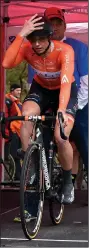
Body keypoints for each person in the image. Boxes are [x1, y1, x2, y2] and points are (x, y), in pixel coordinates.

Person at [2, 14, 78, 206]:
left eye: (41, 39)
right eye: (33, 40)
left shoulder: (64, 50)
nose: (36, 44)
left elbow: (66, 81)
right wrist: (21, 34)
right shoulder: (27, 48)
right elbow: (6, 63)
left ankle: (68, 182)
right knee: (26, 116)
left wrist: (61, 109)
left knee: (61, 136)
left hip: (64, 90)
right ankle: (32, 166)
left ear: (50, 38)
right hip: (41, 89)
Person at [44, 7, 88, 186]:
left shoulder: (78, 47)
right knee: (46, 141)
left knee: (84, 143)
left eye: (58, 23)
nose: (54, 28)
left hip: (78, 103)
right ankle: (42, 185)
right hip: (52, 103)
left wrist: (76, 107)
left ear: (65, 25)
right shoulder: (39, 47)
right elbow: (34, 83)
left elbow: (86, 81)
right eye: (50, 24)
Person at [5, 84, 22, 180]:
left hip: (19, 133)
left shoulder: (19, 103)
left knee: (18, 156)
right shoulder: (8, 100)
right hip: (12, 132)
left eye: (20, 90)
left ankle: (18, 177)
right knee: (13, 156)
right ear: (12, 91)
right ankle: (14, 176)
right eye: (17, 90)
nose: (19, 92)